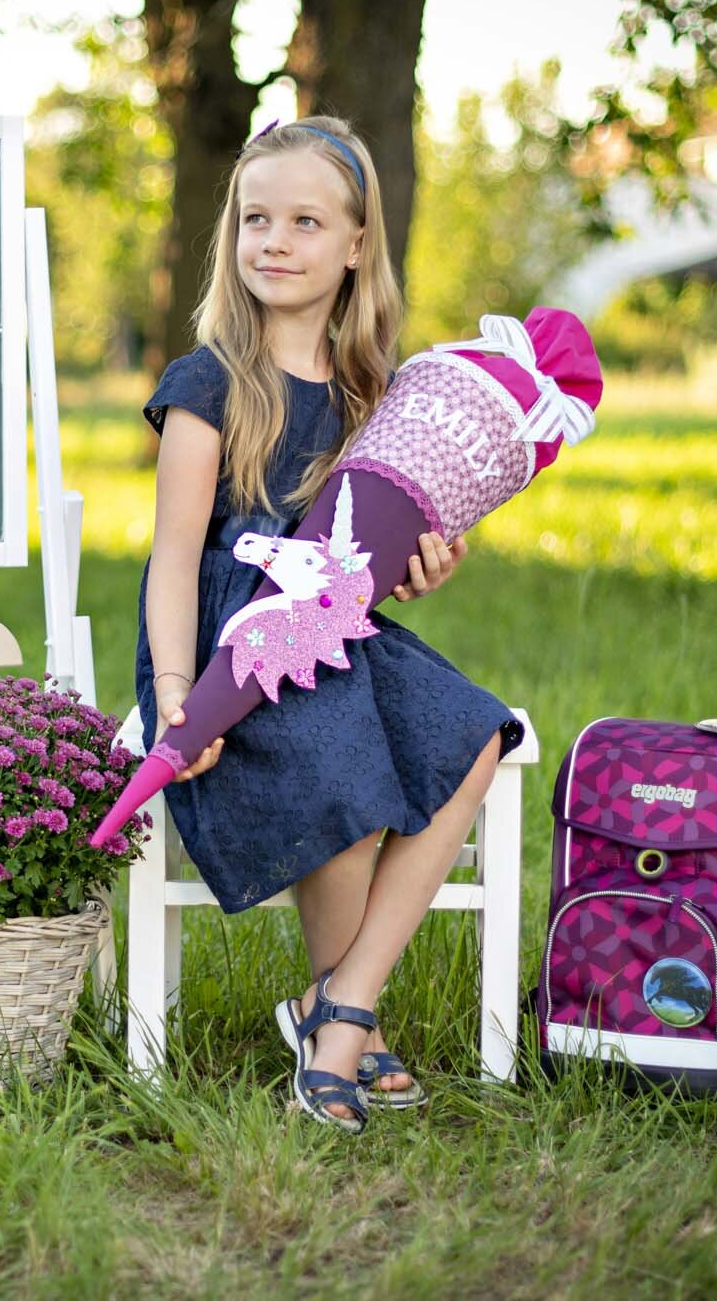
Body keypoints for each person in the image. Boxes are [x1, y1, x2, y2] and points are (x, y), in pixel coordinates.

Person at [134, 116, 526, 1131]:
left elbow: (365, 554)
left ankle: (333, 1000)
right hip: (228, 642)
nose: (275, 240)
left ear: (357, 243)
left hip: (333, 629)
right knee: (343, 762)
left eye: (306, 221)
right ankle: (350, 1023)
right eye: (256, 218)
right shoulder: (207, 384)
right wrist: (180, 698)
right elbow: (175, 557)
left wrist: (418, 567)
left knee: (474, 733)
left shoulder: (373, 392)